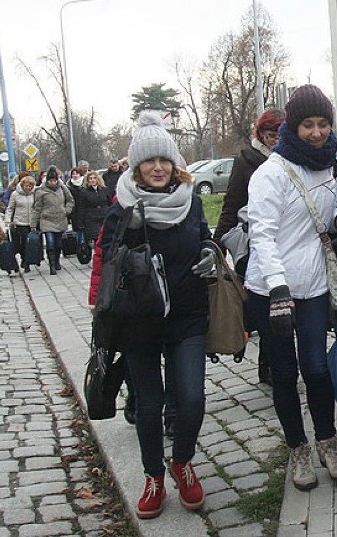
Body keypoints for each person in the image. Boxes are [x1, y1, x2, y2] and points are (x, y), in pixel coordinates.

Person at [91, 110, 216, 519]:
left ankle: (181, 460)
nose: (158, 167)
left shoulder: (192, 202)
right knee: (149, 404)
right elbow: (106, 262)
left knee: (192, 398)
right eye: (149, 160)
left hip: (187, 316)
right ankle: (153, 477)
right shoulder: (121, 209)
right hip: (138, 324)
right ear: (136, 165)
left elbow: (205, 240)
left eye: (164, 159)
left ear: (174, 163)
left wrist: (208, 255)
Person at [245, 85, 337, 492]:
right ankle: (299, 449)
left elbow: (332, 205)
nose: (317, 132)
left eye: (323, 123)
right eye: (308, 124)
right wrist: (277, 289)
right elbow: (264, 235)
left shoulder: (329, 165)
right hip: (270, 288)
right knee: (286, 373)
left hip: (313, 285)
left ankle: (328, 443)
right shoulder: (269, 174)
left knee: (317, 367)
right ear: (293, 125)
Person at [214, 108, 286, 384]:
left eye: (280, 135)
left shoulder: (293, 159)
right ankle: (269, 364)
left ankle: (275, 361)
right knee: (264, 305)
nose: (275, 141)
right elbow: (231, 203)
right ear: (261, 135)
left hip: (288, 243)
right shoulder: (247, 161)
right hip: (255, 244)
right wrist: (217, 243)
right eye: (270, 135)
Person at [32, 166, 74, 275]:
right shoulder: (41, 191)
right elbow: (37, 208)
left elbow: (70, 200)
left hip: (60, 219)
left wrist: (67, 210)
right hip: (46, 220)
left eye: (54, 180)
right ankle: (52, 264)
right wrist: (33, 223)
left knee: (58, 243)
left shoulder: (63, 188)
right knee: (50, 242)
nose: (52, 183)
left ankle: (57, 261)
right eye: (50, 180)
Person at [4, 175, 37, 273]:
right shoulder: (15, 194)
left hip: (31, 222)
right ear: (22, 185)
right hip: (19, 222)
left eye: (30, 186)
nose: (28, 188)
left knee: (29, 243)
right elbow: (10, 208)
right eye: (26, 186)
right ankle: (22, 261)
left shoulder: (35, 193)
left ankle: (26, 261)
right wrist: (7, 219)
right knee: (20, 243)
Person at [78, 170, 113, 249]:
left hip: (104, 216)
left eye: (94, 178)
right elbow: (81, 207)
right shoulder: (84, 192)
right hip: (91, 218)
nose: (92, 180)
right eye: (90, 178)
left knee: (106, 237)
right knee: (96, 239)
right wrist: (80, 222)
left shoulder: (105, 190)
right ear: (87, 180)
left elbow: (110, 203)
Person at [66, 167, 86, 244]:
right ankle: (80, 248)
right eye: (73, 174)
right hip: (75, 212)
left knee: (85, 231)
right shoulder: (69, 186)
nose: (75, 175)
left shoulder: (85, 184)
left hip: (85, 211)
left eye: (76, 173)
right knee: (78, 232)